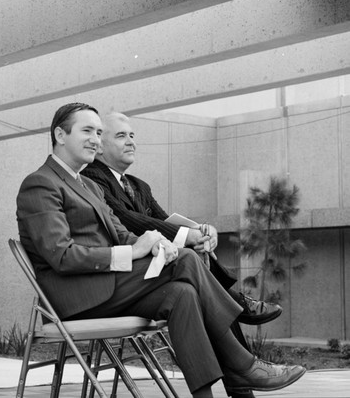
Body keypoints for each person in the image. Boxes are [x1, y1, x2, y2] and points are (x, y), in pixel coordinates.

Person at [16, 102, 305, 398]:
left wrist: (156, 244)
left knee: (183, 294)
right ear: (60, 135)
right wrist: (133, 252)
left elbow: (122, 234)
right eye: (87, 130)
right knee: (188, 259)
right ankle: (243, 364)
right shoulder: (40, 184)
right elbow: (61, 255)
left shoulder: (90, 186)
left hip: (108, 286)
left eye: (99, 132)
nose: (95, 139)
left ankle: (226, 385)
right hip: (75, 298)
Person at [82, 111, 282, 326]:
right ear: (100, 146)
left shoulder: (139, 185)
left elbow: (165, 220)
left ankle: (237, 317)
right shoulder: (92, 177)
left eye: (132, 135)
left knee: (209, 291)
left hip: (155, 264)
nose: (131, 142)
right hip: (124, 278)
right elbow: (126, 219)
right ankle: (238, 305)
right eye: (121, 136)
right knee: (201, 278)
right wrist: (188, 236)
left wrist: (202, 231)